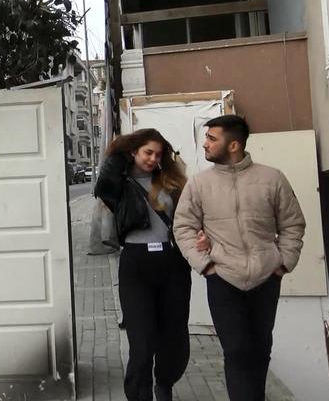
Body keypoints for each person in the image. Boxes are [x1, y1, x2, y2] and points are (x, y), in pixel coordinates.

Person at [173, 115, 305, 401]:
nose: (205, 144)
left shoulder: (272, 178)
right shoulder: (199, 184)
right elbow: (182, 227)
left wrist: (283, 263)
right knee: (236, 350)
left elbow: (293, 224)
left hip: (266, 278)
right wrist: (205, 265)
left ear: (234, 145)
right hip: (223, 278)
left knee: (260, 349)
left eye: (212, 138)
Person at [95, 128, 189, 401]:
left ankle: (165, 383)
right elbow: (104, 181)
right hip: (136, 266)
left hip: (172, 264)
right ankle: (140, 394)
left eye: (158, 154)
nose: (153, 159)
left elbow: (188, 219)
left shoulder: (171, 182)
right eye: (148, 152)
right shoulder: (118, 185)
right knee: (142, 342)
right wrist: (122, 152)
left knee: (174, 337)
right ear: (133, 151)